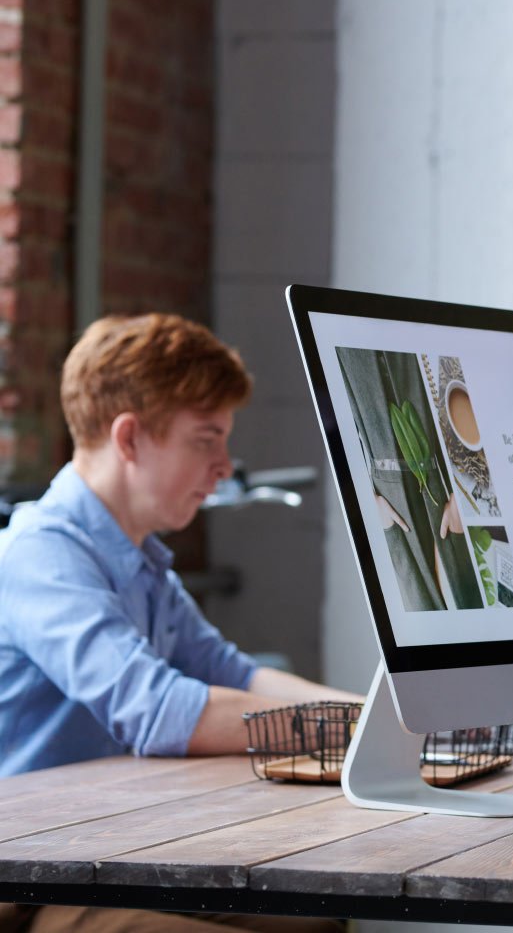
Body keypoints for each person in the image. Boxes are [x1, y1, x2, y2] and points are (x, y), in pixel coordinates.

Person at [0, 314, 356, 931]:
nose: (224, 465)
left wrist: (376, 719)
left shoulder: (142, 563)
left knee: (317, 923)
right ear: (130, 438)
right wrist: (339, 729)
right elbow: (158, 710)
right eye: (205, 439)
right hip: (29, 878)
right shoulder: (40, 556)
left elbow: (233, 673)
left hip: (112, 854)